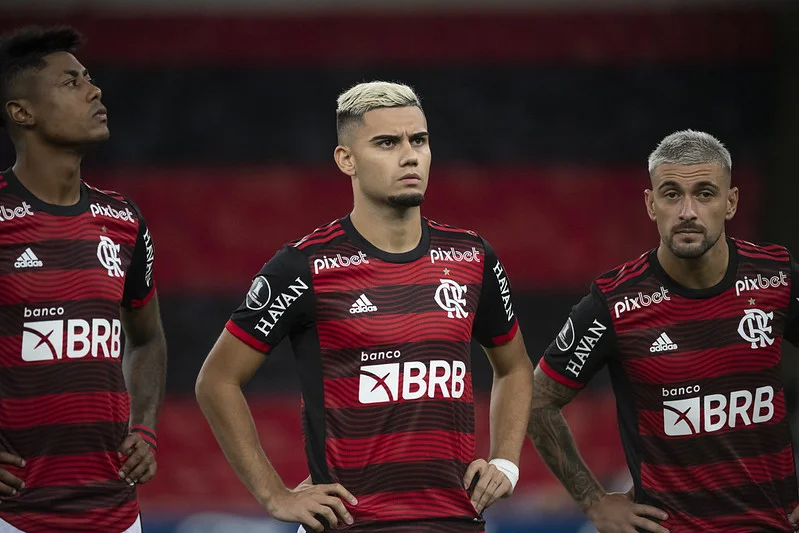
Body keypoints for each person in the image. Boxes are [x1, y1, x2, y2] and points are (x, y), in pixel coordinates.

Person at [195, 81, 534, 533]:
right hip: (352, 525)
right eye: (387, 143)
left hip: (456, 522)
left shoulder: (472, 256)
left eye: (419, 140)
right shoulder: (304, 265)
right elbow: (216, 380)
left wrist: (506, 462)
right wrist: (274, 494)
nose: (410, 156)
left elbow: (514, 367)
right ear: (346, 159)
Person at [528, 129, 799, 533]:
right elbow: (536, 400)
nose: (687, 211)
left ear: (731, 202)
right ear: (651, 204)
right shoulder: (615, 303)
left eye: (705, 193)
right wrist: (593, 501)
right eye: (672, 194)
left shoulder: (777, 277)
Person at [0, 26, 167, 533]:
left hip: (117, 512)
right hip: (16, 514)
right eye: (71, 82)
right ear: (22, 112)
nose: (94, 90)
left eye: (89, 78)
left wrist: (145, 427)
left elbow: (147, 338)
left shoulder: (123, 219)